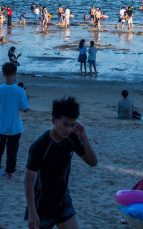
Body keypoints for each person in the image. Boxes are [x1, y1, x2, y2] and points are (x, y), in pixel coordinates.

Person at [24, 96, 97, 229]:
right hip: (42, 203)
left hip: (63, 199)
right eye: (65, 124)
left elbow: (92, 162)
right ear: (53, 120)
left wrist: (83, 137)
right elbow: (28, 180)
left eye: (72, 124)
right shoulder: (40, 145)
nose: (68, 129)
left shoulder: (72, 139)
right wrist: (32, 213)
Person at [0, 61, 30, 180]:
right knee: (12, 152)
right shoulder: (20, 91)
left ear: (3, 74)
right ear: (15, 73)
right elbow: (25, 109)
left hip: (1, 126)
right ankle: (9, 175)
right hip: (15, 126)